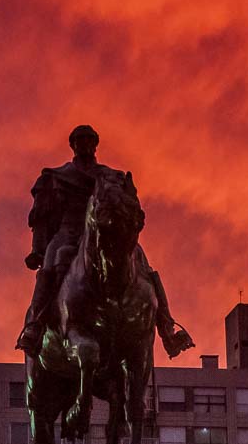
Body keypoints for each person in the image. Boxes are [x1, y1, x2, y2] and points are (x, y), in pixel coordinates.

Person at [16, 125, 195, 358]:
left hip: (106, 233)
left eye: (89, 139)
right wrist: (38, 248)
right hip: (69, 231)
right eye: (79, 140)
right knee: (51, 263)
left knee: (143, 265)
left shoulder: (110, 176)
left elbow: (129, 206)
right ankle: (35, 325)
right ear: (72, 144)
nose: (84, 144)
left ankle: (167, 329)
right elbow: (41, 214)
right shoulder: (57, 176)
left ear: (95, 144)